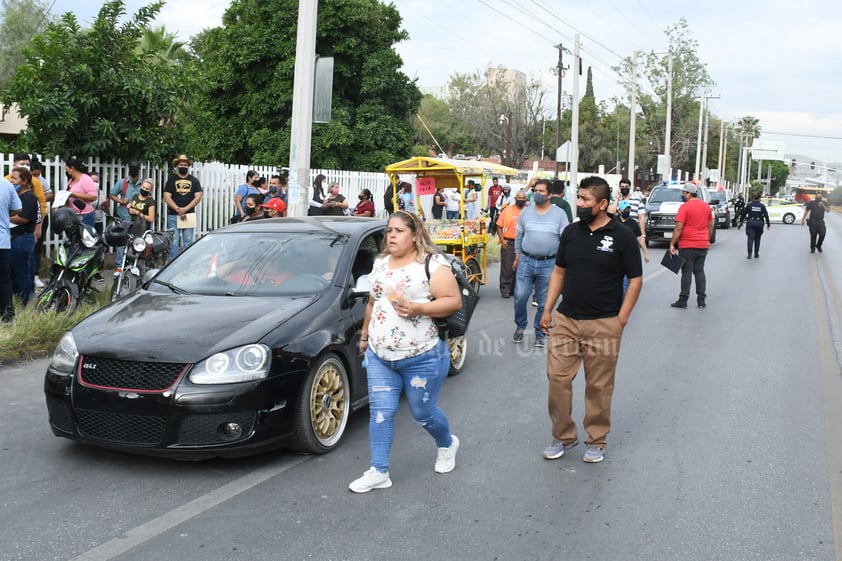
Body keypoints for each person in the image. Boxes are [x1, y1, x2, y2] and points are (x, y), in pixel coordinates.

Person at [349, 211, 462, 493]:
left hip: (422, 356)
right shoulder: (380, 264)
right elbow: (373, 303)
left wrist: (418, 308)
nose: (392, 236)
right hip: (380, 355)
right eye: (389, 230)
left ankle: (447, 443)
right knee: (381, 413)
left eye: (399, 231)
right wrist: (364, 337)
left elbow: (453, 301)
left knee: (422, 413)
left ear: (414, 235)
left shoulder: (432, 264)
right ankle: (379, 471)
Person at [539, 175, 643, 464]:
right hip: (567, 320)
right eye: (579, 197)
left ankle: (596, 439)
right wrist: (547, 309)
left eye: (585, 199)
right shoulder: (572, 233)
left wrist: (620, 319)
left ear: (602, 204)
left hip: (604, 323)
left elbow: (635, 280)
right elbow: (559, 271)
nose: (580, 203)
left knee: (598, 385)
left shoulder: (621, 236)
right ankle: (563, 436)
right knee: (557, 379)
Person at [512, 178, 569, 347]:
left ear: (550, 194)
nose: (537, 194)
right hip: (526, 261)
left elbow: (565, 239)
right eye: (535, 190)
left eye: (541, 191)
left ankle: (539, 332)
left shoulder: (559, 214)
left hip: (549, 264)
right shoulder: (526, 212)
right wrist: (517, 257)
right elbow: (519, 235)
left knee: (544, 302)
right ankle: (520, 325)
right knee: (520, 296)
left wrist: (564, 264)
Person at [668, 183, 713, 309]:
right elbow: (710, 225)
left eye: (683, 193)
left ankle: (683, 299)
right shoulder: (706, 207)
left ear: (688, 193)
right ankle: (701, 300)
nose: (682, 195)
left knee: (686, 271)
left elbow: (679, 227)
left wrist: (672, 243)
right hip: (702, 244)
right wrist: (706, 240)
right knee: (699, 270)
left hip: (687, 244)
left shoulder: (685, 207)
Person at [8, 167, 39, 305]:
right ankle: (17, 299)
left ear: (25, 180)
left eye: (15, 178)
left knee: (23, 273)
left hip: (22, 238)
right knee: (13, 273)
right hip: (14, 237)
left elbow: (24, 218)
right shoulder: (18, 195)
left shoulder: (30, 197)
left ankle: (26, 301)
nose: (12, 181)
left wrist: (6, 217)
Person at [163, 154, 203, 260]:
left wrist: (185, 209)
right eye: (181, 164)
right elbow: (166, 197)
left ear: (188, 166)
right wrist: (177, 209)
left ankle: (186, 265)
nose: (183, 166)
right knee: (174, 242)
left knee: (188, 241)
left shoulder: (194, 181)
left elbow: (198, 196)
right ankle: (173, 265)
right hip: (173, 215)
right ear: (176, 166)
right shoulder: (171, 180)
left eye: (185, 165)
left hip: (189, 215)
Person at [496, 189, 527, 298]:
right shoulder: (507, 210)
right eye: (519, 198)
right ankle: (505, 289)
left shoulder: (528, 211)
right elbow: (499, 226)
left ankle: (514, 289)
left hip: (524, 243)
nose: (521, 200)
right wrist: (502, 240)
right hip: (509, 242)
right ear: (515, 198)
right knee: (507, 267)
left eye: (523, 198)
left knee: (520, 267)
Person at [1, 175, 22, 322]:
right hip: (2, 241)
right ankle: (7, 315)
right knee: (3, 280)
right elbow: (17, 209)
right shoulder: (6, 184)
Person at [617, 199, 650, 294]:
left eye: (629, 209)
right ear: (619, 210)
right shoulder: (613, 221)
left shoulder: (633, 224)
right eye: (625, 209)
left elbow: (640, 239)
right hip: (616, 254)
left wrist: (646, 253)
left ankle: (623, 299)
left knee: (626, 281)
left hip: (629, 255)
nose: (627, 211)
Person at [65, 158, 98, 228]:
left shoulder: (85, 179)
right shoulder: (71, 180)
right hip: (73, 215)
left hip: (84, 215)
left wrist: (74, 194)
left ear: (72, 168)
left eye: (67, 168)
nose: (66, 170)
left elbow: (93, 197)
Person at [739, 193, 770, 259]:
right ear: (759, 198)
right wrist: (768, 224)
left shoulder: (749, 205)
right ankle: (756, 253)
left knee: (750, 238)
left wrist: (741, 221)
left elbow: (744, 214)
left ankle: (749, 254)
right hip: (759, 223)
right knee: (757, 239)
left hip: (750, 223)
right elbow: (766, 215)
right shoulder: (762, 206)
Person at [89, 172, 109, 237]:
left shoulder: (101, 192)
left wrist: (105, 204)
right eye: (93, 181)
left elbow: (106, 211)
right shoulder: (84, 193)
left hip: (98, 221)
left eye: (96, 181)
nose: (95, 183)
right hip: (88, 221)